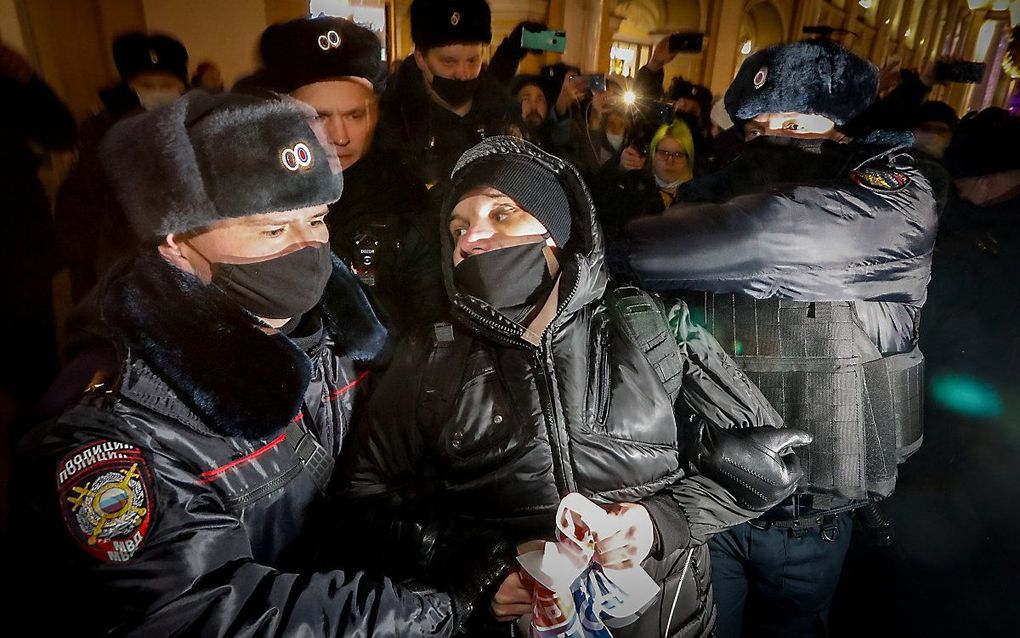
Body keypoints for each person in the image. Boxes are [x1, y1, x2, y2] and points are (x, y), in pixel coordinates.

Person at [13, 92, 504, 636]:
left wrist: (456, 551)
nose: (309, 248)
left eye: (316, 220)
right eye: (273, 230)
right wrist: (436, 608)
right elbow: (202, 612)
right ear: (176, 243)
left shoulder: (341, 338)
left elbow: (354, 503)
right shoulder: (119, 430)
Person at [343, 135, 812, 637]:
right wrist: (475, 568)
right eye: (458, 227)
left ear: (556, 234)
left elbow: (771, 464)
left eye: (502, 215)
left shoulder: (653, 325)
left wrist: (661, 522)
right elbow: (361, 501)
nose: (471, 239)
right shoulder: (431, 358)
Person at [618, 38, 947, 638]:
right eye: (761, 125)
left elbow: (771, 240)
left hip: (813, 521)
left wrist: (620, 243)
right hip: (710, 503)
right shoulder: (715, 202)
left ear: (845, 129)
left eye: (796, 124)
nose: (774, 139)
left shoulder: (899, 200)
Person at [256, 16, 445, 335]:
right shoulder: (250, 194)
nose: (339, 136)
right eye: (318, 116)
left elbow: (427, 320)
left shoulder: (406, 196)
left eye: (355, 115)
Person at [0, 40, 77, 526]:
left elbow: (59, 130)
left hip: (12, 252)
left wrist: (27, 80)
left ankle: (37, 489)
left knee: (31, 374)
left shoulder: (8, 80)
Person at [54, 32, 189, 302]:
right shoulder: (100, 129)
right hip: (122, 261)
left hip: (185, 261)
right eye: (146, 84)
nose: (157, 91)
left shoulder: (193, 123)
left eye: (166, 83)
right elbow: (80, 198)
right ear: (127, 86)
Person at [376, 0, 514, 187]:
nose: (463, 73)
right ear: (420, 58)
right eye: (449, 62)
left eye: (473, 60)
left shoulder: (502, 112)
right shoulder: (393, 120)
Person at [592, 116, 697, 238]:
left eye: (678, 154)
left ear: (688, 158)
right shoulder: (635, 187)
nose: (670, 160)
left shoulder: (700, 195)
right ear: (652, 154)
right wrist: (618, 169)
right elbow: (602, 209)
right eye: (663, 153)